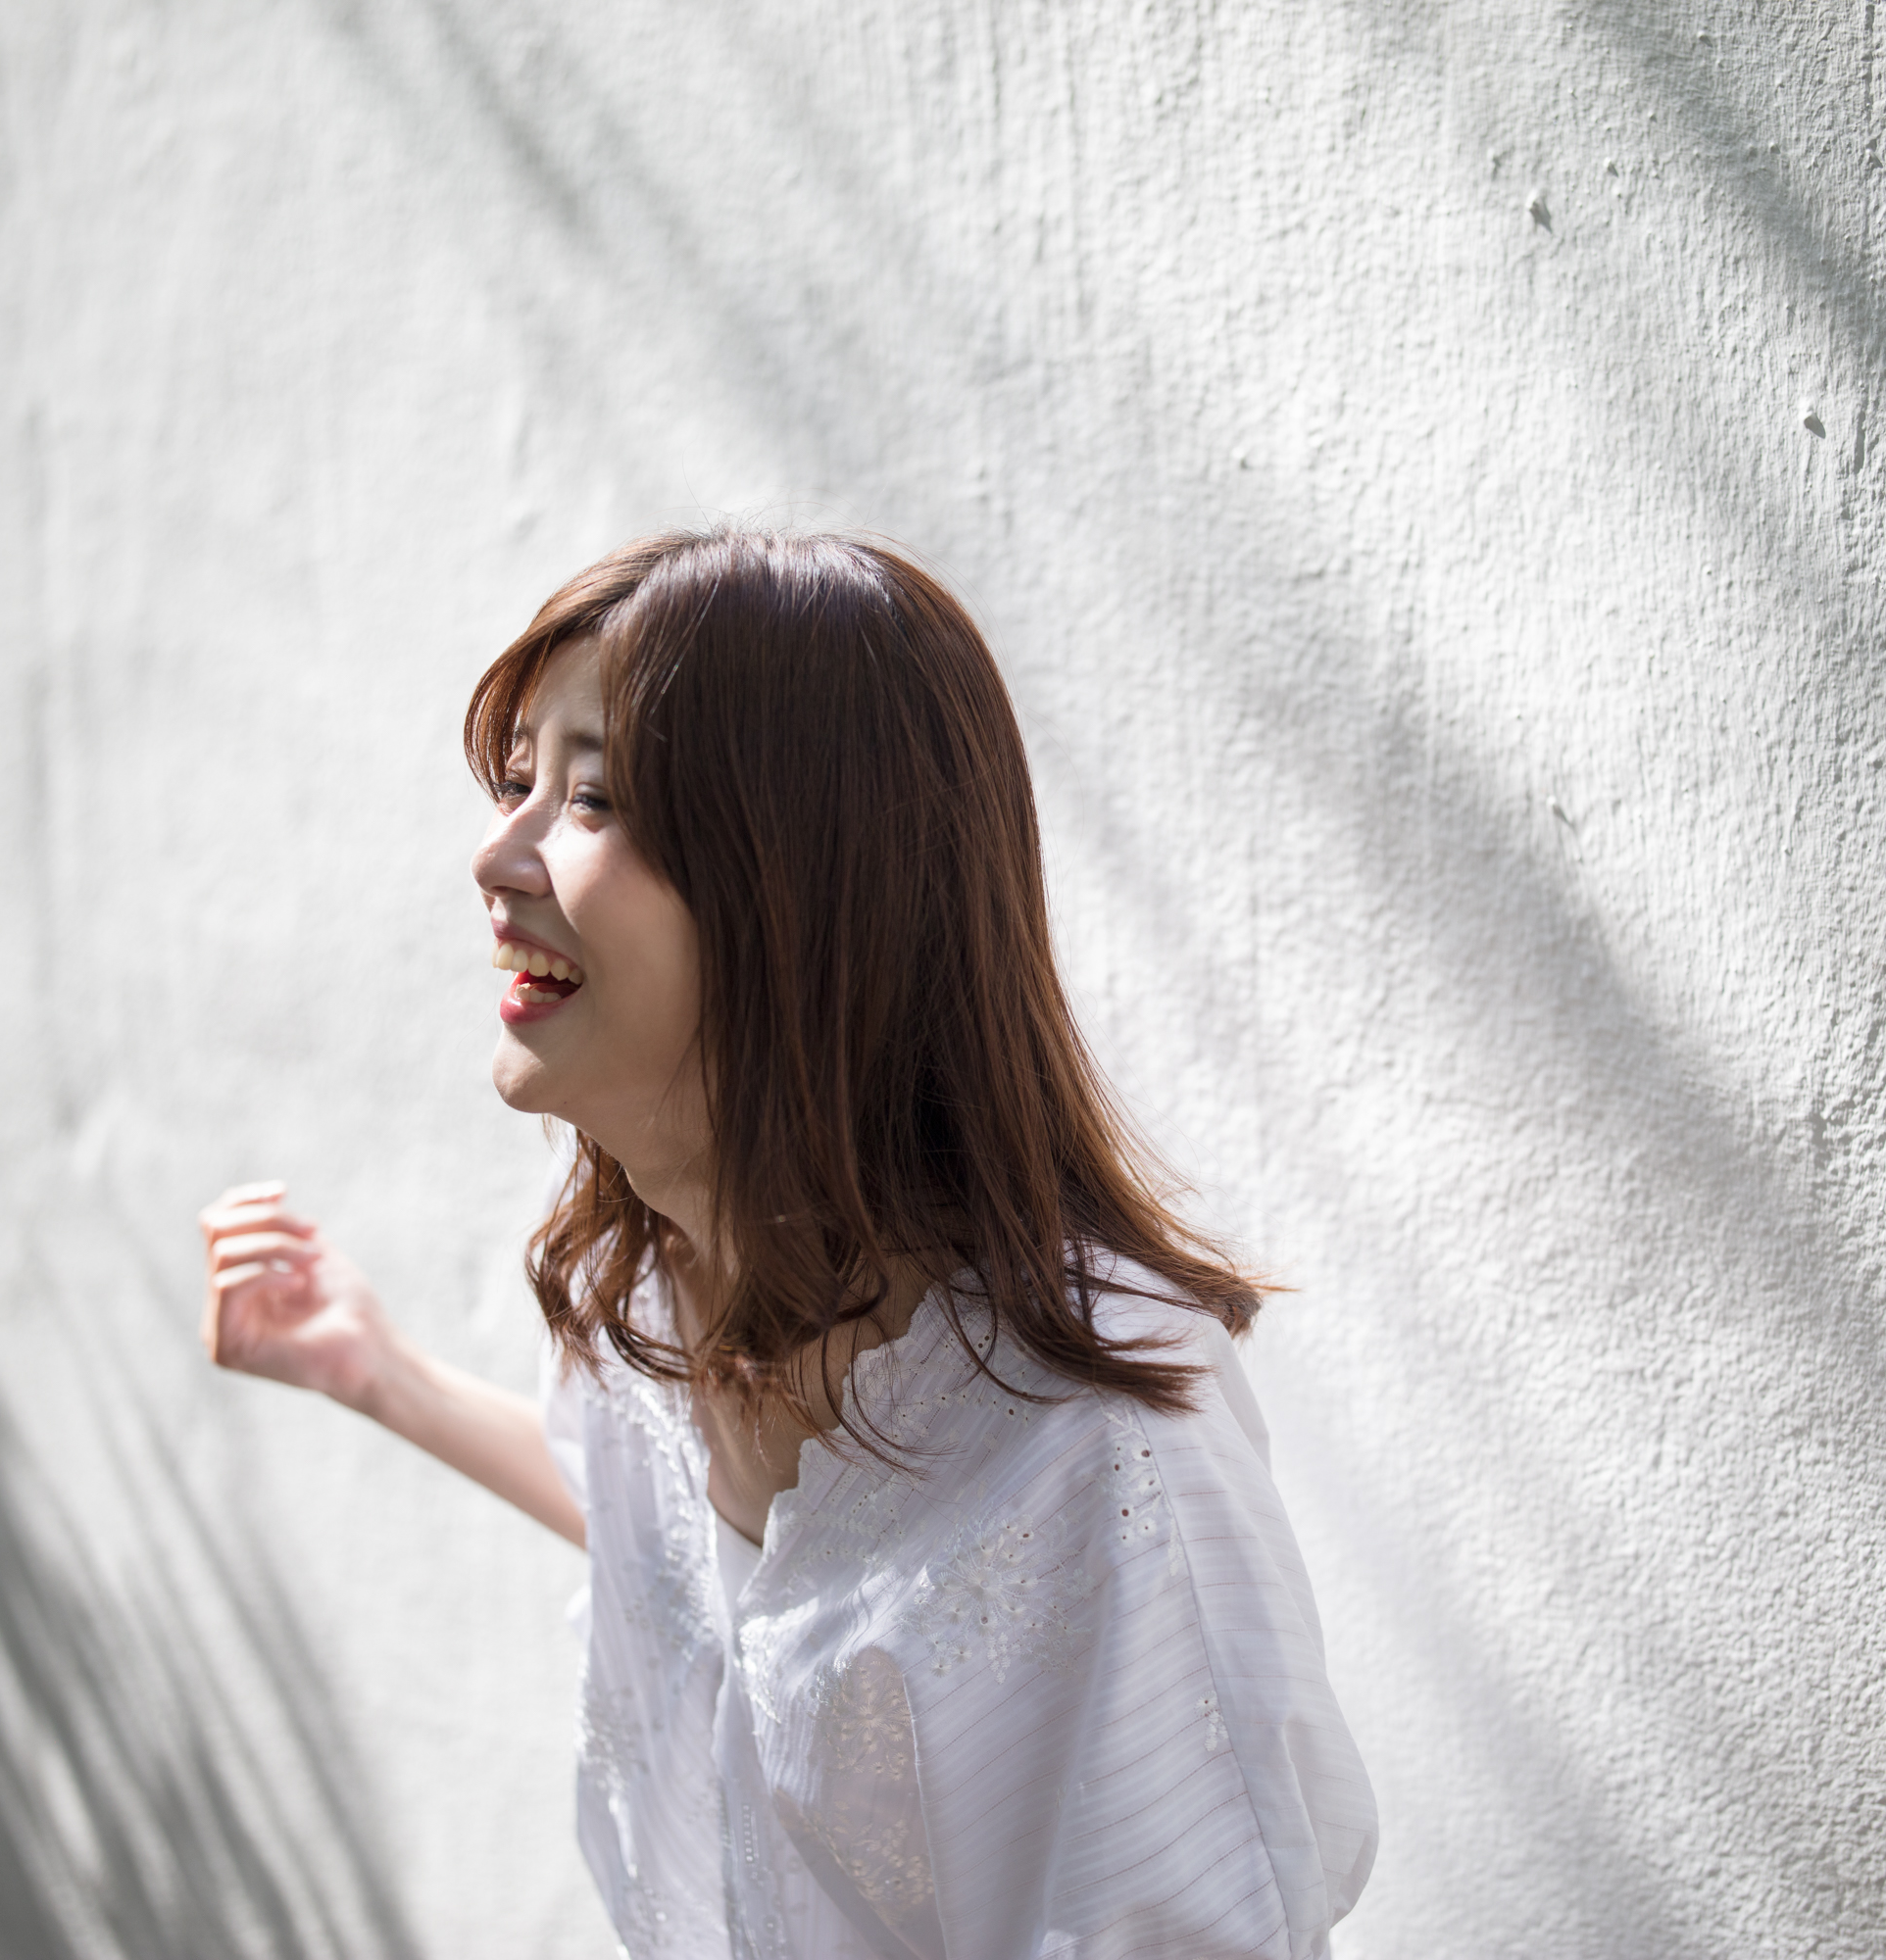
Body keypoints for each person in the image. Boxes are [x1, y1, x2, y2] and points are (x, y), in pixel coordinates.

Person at [196, 528, 1375, 1959]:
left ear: (805, 889)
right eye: (516, 786)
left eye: (590, 797)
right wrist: (380, 1375)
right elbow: (722, 1575)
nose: (495, 856)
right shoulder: (658, 1281)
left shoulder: (1099, 1451)